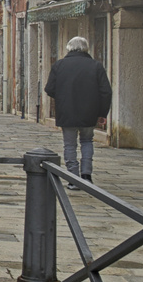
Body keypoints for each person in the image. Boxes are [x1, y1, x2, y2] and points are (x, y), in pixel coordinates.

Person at [43, 36, 112, 183]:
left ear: (69, 48)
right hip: (89, 111)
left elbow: (49, 89)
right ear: (86, 49)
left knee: (70, 144)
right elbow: (106, 92)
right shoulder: (96, 66)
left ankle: (73, 177)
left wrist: (62, 97)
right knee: (87, 141)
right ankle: (86, 175)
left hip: (66, 111)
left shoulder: (59, 65)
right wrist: (102, 113)